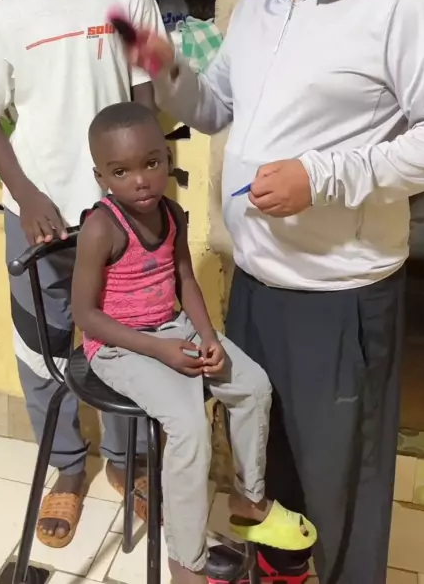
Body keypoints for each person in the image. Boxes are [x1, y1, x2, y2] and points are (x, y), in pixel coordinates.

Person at [120, 0, 424, 584]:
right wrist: (164, 66)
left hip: (338, 300)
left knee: (340, 487)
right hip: (254, 289)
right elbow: (215, 108)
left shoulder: (401, 2)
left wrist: (321, 176)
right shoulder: (257, 10)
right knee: (267, 477)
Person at [0, 0, 166, 547]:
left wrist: (151, 194)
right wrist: (25, 195)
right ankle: (67, 469)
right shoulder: (1, 16)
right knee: (42, 349)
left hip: (120, 217)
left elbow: (149, 98)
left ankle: (127, 464)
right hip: (38, 217)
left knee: (123, 344)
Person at [71, 101, 317, 584]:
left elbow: (184, 278)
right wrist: (160, 350)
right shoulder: (100, 227)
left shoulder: (171, 213)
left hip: (172, 327)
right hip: (117, 345)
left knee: (253, 386)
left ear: (167, 158)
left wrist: (207, 336)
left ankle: (249, 499)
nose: (140, 180)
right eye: (121, 172)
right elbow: (85, 316)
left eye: (151, 163)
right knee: (188, 426)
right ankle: (186, 561)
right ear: (101, 177)